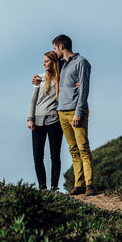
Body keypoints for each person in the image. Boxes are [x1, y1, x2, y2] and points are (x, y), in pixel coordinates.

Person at [34, 34, 95, 196]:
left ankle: (89, 184)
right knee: (73, 149)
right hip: (61, 113)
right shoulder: (62, 65)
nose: (55, 51)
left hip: (76, 112)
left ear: (61, 46)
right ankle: (79, 184)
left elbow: (84, 88)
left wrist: (79, 112)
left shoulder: (81, 62)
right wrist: (36, 79)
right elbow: (48, 70)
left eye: (55, 48)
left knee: (83, 147)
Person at [28, 51, 63, 191]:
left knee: (55, 155)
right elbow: (33, 100)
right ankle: (42, 188)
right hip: (37, 121)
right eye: (44, 61)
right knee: (37, 156)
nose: (44, 64)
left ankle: (54, 187)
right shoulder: (39, 79)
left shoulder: (62, 78)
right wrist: (30, 118)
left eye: (47, 61)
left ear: (54, 62)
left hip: (55, 121)